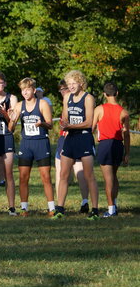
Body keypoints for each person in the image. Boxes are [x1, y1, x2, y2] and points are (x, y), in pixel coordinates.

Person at [54, 70, 100, 220]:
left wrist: (70, 126)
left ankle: (94, 210)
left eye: (74, 83)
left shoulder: (88, 98)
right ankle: (59, 208)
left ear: (81, 83)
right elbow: (65, 118)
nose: (71, 86)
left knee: (89, 175)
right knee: (63, 174)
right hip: (70, 138)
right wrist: (64, 125)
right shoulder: (67, 97)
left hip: (84, 138)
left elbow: (88, 122)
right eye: (69, 84)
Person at [8, 78, 55, 216]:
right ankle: (24, 208)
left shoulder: (43, 104)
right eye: (23, 90)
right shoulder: (18, 105)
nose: (25, 92)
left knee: (46, 176)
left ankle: (51, 208)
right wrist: (10, 118)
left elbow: (50, 124)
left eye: (27, 89)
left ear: (34, 90)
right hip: (26, 144)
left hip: (41, 143)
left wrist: (42, 124)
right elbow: (10, 129)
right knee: (23, 177)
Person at [92, 82, 130, 217]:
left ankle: (111, 209)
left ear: (104, 94)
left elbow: (92, 128)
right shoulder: (124, 112)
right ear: (117, 93)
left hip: (105, 145)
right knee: (114, 176)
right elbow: (126, 135)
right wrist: (127, 153)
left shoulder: (99, 109)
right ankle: (115, 203)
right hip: (118, 145)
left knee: (108, 179)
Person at [54, 80, 88, 212]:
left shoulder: (79, 101)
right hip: (64, 138)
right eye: (61, 90)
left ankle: (85, 201)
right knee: (60, 172)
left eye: (65, 89)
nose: (63, 92)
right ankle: (60, 203)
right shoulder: (66, 102)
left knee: (79, 171)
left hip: (75, 138)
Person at [0, 72, 18, 215]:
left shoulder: (11, 98)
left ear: (5, 83)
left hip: (6, 137)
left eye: (0, 83)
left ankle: (12, 207)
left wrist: (4, 113)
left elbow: (13, 124)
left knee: (8, 174)